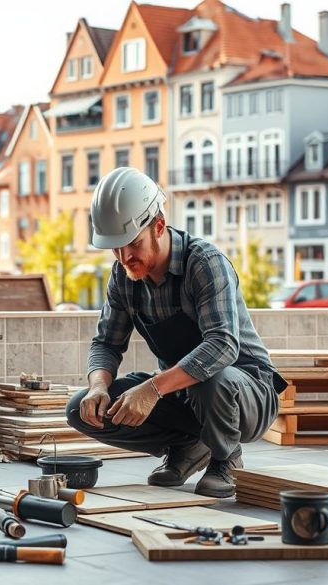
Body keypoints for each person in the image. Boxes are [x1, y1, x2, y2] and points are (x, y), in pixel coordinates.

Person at [66, 167, 288, 498]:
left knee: (210, 377)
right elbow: (106, 344)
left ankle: (225, 459)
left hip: (246, 392)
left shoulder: (204, 262)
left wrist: (152, 389)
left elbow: (223, 346)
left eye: (133, 244)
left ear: (158, 226)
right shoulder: (124, 275)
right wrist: (97, 386)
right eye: (115, 249)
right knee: (80, 410)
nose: (125, 257)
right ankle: (189, 446)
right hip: (187, 394)